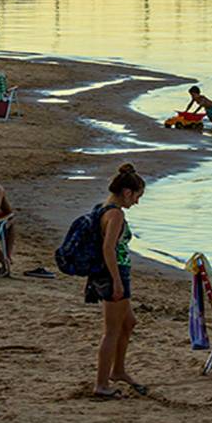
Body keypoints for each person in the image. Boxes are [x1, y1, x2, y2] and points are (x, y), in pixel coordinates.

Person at [89, 164, 146, 399]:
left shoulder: (103, 208)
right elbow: (108, 249)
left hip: (115, 273)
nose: (137, 202)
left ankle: (118, 370)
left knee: (128, 323)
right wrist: (116, 281)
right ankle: (101, 384)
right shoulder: (115, 214)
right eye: (137, 196)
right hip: (113, 274)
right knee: (111, 331)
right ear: (127, 192)